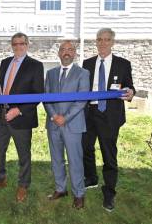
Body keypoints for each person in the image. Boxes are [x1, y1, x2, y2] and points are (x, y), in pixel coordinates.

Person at [0, 32, 44, 202]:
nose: (18, 47)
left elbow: (38, 94)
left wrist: (18, 110)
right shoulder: (5, 62)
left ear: (27, 45)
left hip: (21, 117)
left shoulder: (36, 66)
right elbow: (1, 82)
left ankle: (23, 185)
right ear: (12, 45)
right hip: (2, 114)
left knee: (23, 154)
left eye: (21, 44)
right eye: (15, 44)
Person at [82, 28, 135, 212]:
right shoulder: (87, 63)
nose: (102, 43)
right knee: (86, 147)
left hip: (110, 116)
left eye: (106, 39)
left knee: (109, 155)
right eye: (99, 39)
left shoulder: (123, 64)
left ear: (112, 42)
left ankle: (109, 193)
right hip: (89, 113)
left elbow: (129, 87)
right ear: (95, 42)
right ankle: (91, 178)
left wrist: (130, 92)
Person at [44, 41, 90, 209]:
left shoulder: (83, 73)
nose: (66, 52)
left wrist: (66, 118)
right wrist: (54, 115)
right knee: (57, 159)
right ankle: (60, 189)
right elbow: (46, 97)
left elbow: (81, 100)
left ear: (75, 53)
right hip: (53, 123)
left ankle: (79, 194)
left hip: (73, 124)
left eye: (70, 49)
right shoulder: (50, 73)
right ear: (58, 53)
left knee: (75, 160)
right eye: (63, 49)